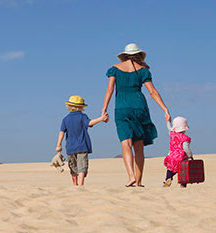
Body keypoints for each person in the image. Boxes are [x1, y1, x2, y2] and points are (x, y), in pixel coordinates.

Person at [101, 43, 171, 187]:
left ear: (125, 55)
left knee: (125, 143)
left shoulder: (114, 69)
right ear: (138, 55)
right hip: (140, 107)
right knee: (139, 146)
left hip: (121, 108)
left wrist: (104, 109)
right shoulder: (142, 71)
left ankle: (131, 176)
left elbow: (109, 90)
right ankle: (138, 182)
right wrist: (165, 109)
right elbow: (152, 92)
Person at [56, 95, 107, 186]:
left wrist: (58, 144)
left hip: (70, 147)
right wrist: (101, 118)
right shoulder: (83, 116)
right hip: (82, 146)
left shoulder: (65, 119)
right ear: (81, 107)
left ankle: (75, 184)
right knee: (82, 166)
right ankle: (81, 185)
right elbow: (89, 123)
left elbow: (61, 132)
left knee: (73, 167)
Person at [163, 116, 193, 187]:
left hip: (172, 157)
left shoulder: (172, 134)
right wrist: (190, 155)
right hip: (182, 158)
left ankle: (168, 178)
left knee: (170, 169)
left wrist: (168, 122)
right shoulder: (185, 138)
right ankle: (183, 184)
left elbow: (169, 128)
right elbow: (186, 148)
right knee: (183, 171)